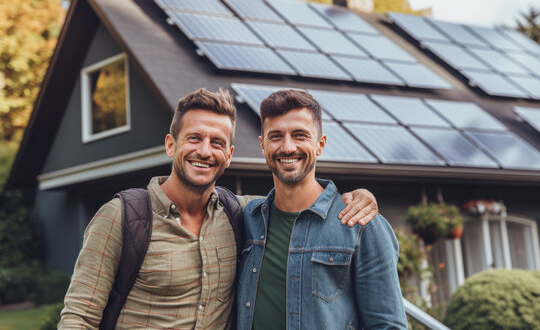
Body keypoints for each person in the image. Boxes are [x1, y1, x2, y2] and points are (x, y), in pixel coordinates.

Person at [59, 88, 379, 329]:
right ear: (171, 145)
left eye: (217, 142)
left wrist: (357, 196)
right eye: (194, 138)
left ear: (229, 154)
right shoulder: (122, 217)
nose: (204, 150)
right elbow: (79, 318)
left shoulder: (242, 214)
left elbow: (296, 202)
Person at [237, 90, 408, 329]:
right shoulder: (247, 217)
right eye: (276, 136)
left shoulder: (361, 225)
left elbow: (387, 325)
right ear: (262, 145)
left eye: (300, 135)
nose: (287, 147)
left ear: (320, 145)